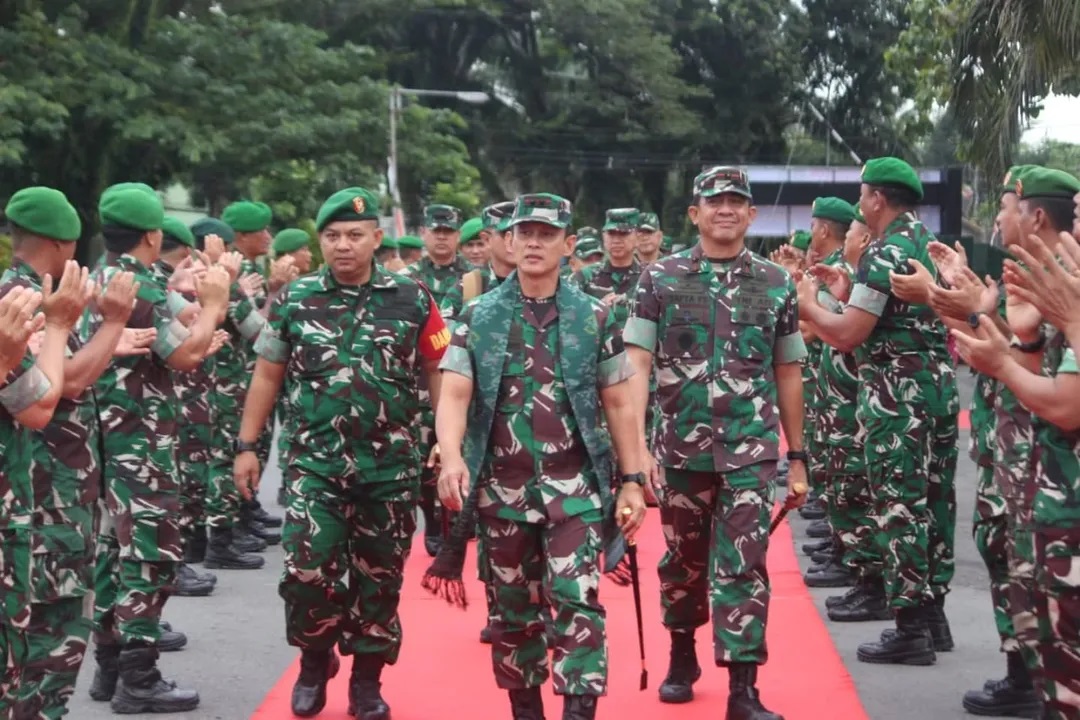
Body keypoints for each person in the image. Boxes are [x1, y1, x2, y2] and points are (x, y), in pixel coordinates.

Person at [234, 187, 449, 720]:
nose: (343, 245)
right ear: (320, 241)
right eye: (332, 236)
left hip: (390, 466)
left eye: (355, 235)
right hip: (315, 465)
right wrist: (247, 446)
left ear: (376, 239)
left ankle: (367, 682)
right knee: (306, 570)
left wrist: (448, 441)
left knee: (380, 577)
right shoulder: (297, 298)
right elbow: (267, 375)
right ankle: (314, 660)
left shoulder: (413, 297)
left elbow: (439, 369)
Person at [432, 192, 646, 720]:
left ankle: (578, 711)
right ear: (508, 241)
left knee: (577, 601)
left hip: (575, 492)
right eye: (524, 233)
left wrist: (632, 480)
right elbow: (454, 393)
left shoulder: (594, 316)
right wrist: (453, 457)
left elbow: (620, 402)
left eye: (546, 234)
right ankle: (526, 710)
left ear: (568, 245)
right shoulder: (478, 315)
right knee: (512, 613)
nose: (533, 243)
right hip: (501, 493)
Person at [624, 166, 808, 720]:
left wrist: (798, 455)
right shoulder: (658, 279)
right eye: (714, 201)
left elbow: (788, 370)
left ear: (752, 214)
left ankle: (742, 688)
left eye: (735, 201)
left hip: (751, 449)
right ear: (694, 213)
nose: (725, 209)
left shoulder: (776, 284)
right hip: (680, 449)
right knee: (683, 561)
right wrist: (635, 452)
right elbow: (636, 364)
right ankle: (682, 654)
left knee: (745, 563)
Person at [798, 157, 957, 667]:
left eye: (863, 194)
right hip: (934, 390)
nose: (860, 204)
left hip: (896, 398)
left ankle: (910, 628)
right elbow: (891, 313)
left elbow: (849, 333)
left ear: (877, 199)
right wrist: (844, 293)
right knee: (933, 502)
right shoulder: (923, 243)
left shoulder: (884, 251)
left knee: (898, 505)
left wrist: (808, 305)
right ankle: (933, 618)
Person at [85, 185, 229, 714]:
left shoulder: (102, 276)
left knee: (111, 553)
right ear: (151, 235)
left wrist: (194, 312)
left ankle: (108, 666)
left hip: (103, 440)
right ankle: (138, 678)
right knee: (149, 558)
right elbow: (184, 355)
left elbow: (173, 332)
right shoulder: (139, 285)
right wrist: (213, 305)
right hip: (139, 443)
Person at [400, 204, 472, 557]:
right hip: (419, 380)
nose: (442, 238)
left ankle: (459, 517)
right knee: (424, 454)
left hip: (462, 377)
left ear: (458, 236)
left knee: (460, 448)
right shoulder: (407, 278)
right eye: (436, 231)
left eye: (449, 232)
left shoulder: (473, 278)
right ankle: (431, 519)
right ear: (424, 233)